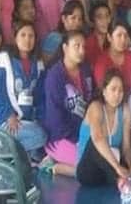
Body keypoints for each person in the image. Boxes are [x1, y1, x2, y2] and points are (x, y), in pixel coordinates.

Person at [0, 21, 47, 157]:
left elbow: (40, 97)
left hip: (27, 121)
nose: (27, 40)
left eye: (31, 36)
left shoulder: (38, 64)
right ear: (15, 38)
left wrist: (41, 118)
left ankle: (15, 156)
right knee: (41, 136)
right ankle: (1, 153)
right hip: (5, 122)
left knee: (45, 134)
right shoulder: (3, 59)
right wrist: (8, 114)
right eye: (23, 35)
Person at [41, 31, 94, 177]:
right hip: (61, 137)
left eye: (83, 47)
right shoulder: (54, 76)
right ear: (65, 48)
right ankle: (55, 167)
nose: (81, 51)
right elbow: (55, 118)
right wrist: (76, 139)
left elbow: (92, 103)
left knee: (102, 163)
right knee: (89, 169)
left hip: (84, 134)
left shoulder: (86, 71)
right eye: (76, 46)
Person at [74, 70, 131, 195]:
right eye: (113, 89)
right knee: (95, 143)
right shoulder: (95, 107)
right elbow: (97, 138)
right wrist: (117, 167)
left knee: (130, 167)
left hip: (108, 171)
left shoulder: (125, 110)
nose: (117, 94)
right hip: (89, 171)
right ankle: (120, 181)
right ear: (104, 91)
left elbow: (126, 147)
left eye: (121, 90)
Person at [93, 22, 131, 92]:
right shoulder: (101, 61)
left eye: (125, 36)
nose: (123, 40)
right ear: (109, 37)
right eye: (119, 35)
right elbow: (102, 89)